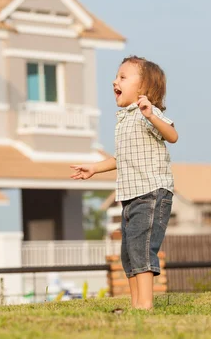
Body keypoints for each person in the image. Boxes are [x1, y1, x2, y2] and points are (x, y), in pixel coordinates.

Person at [70, 56, 178, 310]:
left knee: (142, 248)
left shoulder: (146, 114)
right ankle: (135, 304)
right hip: (131, 196)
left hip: (152, 193)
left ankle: (146, 305)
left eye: (122, 77)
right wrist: (95, 168)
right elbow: (123, 158)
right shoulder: (125, 120)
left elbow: (172, 135)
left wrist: (151, 116)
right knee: (128, 253)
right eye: (116, 77)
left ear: (143, 88)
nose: (114, 81)